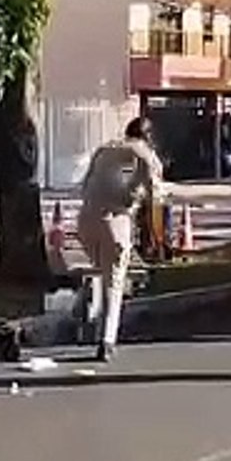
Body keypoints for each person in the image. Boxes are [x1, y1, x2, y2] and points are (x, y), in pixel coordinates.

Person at [78, 117, 165, 361]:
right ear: (147, 137)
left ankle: (92, 317)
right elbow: (154, 175)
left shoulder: (104, 149)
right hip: (114, 223)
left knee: (102, 271)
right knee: (114, 282)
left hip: (85, 222)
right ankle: (106, 341)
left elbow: (85, 185)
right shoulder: (142, 150)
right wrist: (138, 193)